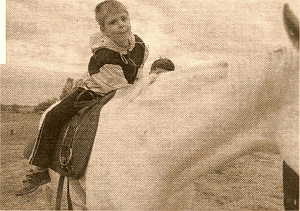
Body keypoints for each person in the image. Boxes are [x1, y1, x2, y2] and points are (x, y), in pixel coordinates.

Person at [16, 0, 148, 196]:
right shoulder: (104, 55)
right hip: (95, 91)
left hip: (126, 89)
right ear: (103, 30)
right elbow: (119, 86)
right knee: (53, 115)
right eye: (113, 22)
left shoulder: (139, 45)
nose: (121, 24)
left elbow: (138, 71)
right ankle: (40, 169)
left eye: (124, 18)